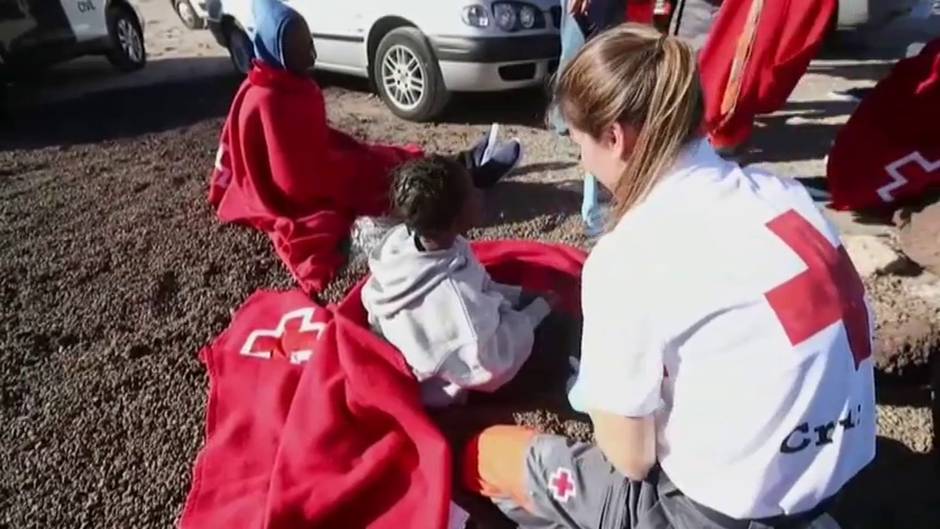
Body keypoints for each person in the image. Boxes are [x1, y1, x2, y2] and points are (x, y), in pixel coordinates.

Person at [462, 24, 875, 529]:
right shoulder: (783, 194)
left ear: (614, 138)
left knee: (488, 456)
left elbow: (633, 459)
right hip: (833, 480)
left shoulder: (630, 254)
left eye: (579, 142)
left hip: (712, 513)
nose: (582, 159)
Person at [208, 0, 521, 293]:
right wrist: (348, 174)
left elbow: (307, 143)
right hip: (317, 186)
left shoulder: (280, 82)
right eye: (302, 49)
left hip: (326, 164)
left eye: (310, 44)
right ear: (276, 49)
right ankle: (471, 175)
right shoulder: (269, 98)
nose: (313, 56)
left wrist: (349, 155)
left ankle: (464, 162)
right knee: (391, 179)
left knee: (388, 157)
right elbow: (294, 183)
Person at [361, 156, 553, 408]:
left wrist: (518, 295)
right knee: (560, 333)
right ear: (455, 218)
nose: (480, 195)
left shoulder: (403, 242)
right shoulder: (457, 304)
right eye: (472, 193)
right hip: (463, 373)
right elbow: (491, 365)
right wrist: (538, 311)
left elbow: (480, 284)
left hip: (456, 339)